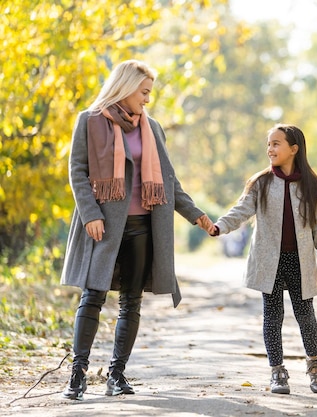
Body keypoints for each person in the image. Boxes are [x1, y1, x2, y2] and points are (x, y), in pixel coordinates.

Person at [60, 60, 214, 401]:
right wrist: (90, 215)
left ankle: (116, 375)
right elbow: (78, 171)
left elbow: (169, 181)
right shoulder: (89, 121)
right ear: (126, 87)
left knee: (131, 302)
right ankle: (77, 375)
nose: (147, 99)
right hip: (103, 226)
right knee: (93, 297)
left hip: (144, 226)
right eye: (144, 92)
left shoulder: (152, 127)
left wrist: (197, 216)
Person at [209, 124, 317, 394]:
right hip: (270, 262)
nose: (270, 149)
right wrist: (219, 226)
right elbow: (241, 211)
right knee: (272, 316)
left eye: (276, 144)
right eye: (269, 144)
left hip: (300, 261)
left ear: (294, 149)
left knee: (306, 316)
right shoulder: (262, 183)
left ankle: (314, 367)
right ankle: (277, 371)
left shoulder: (312, 185)